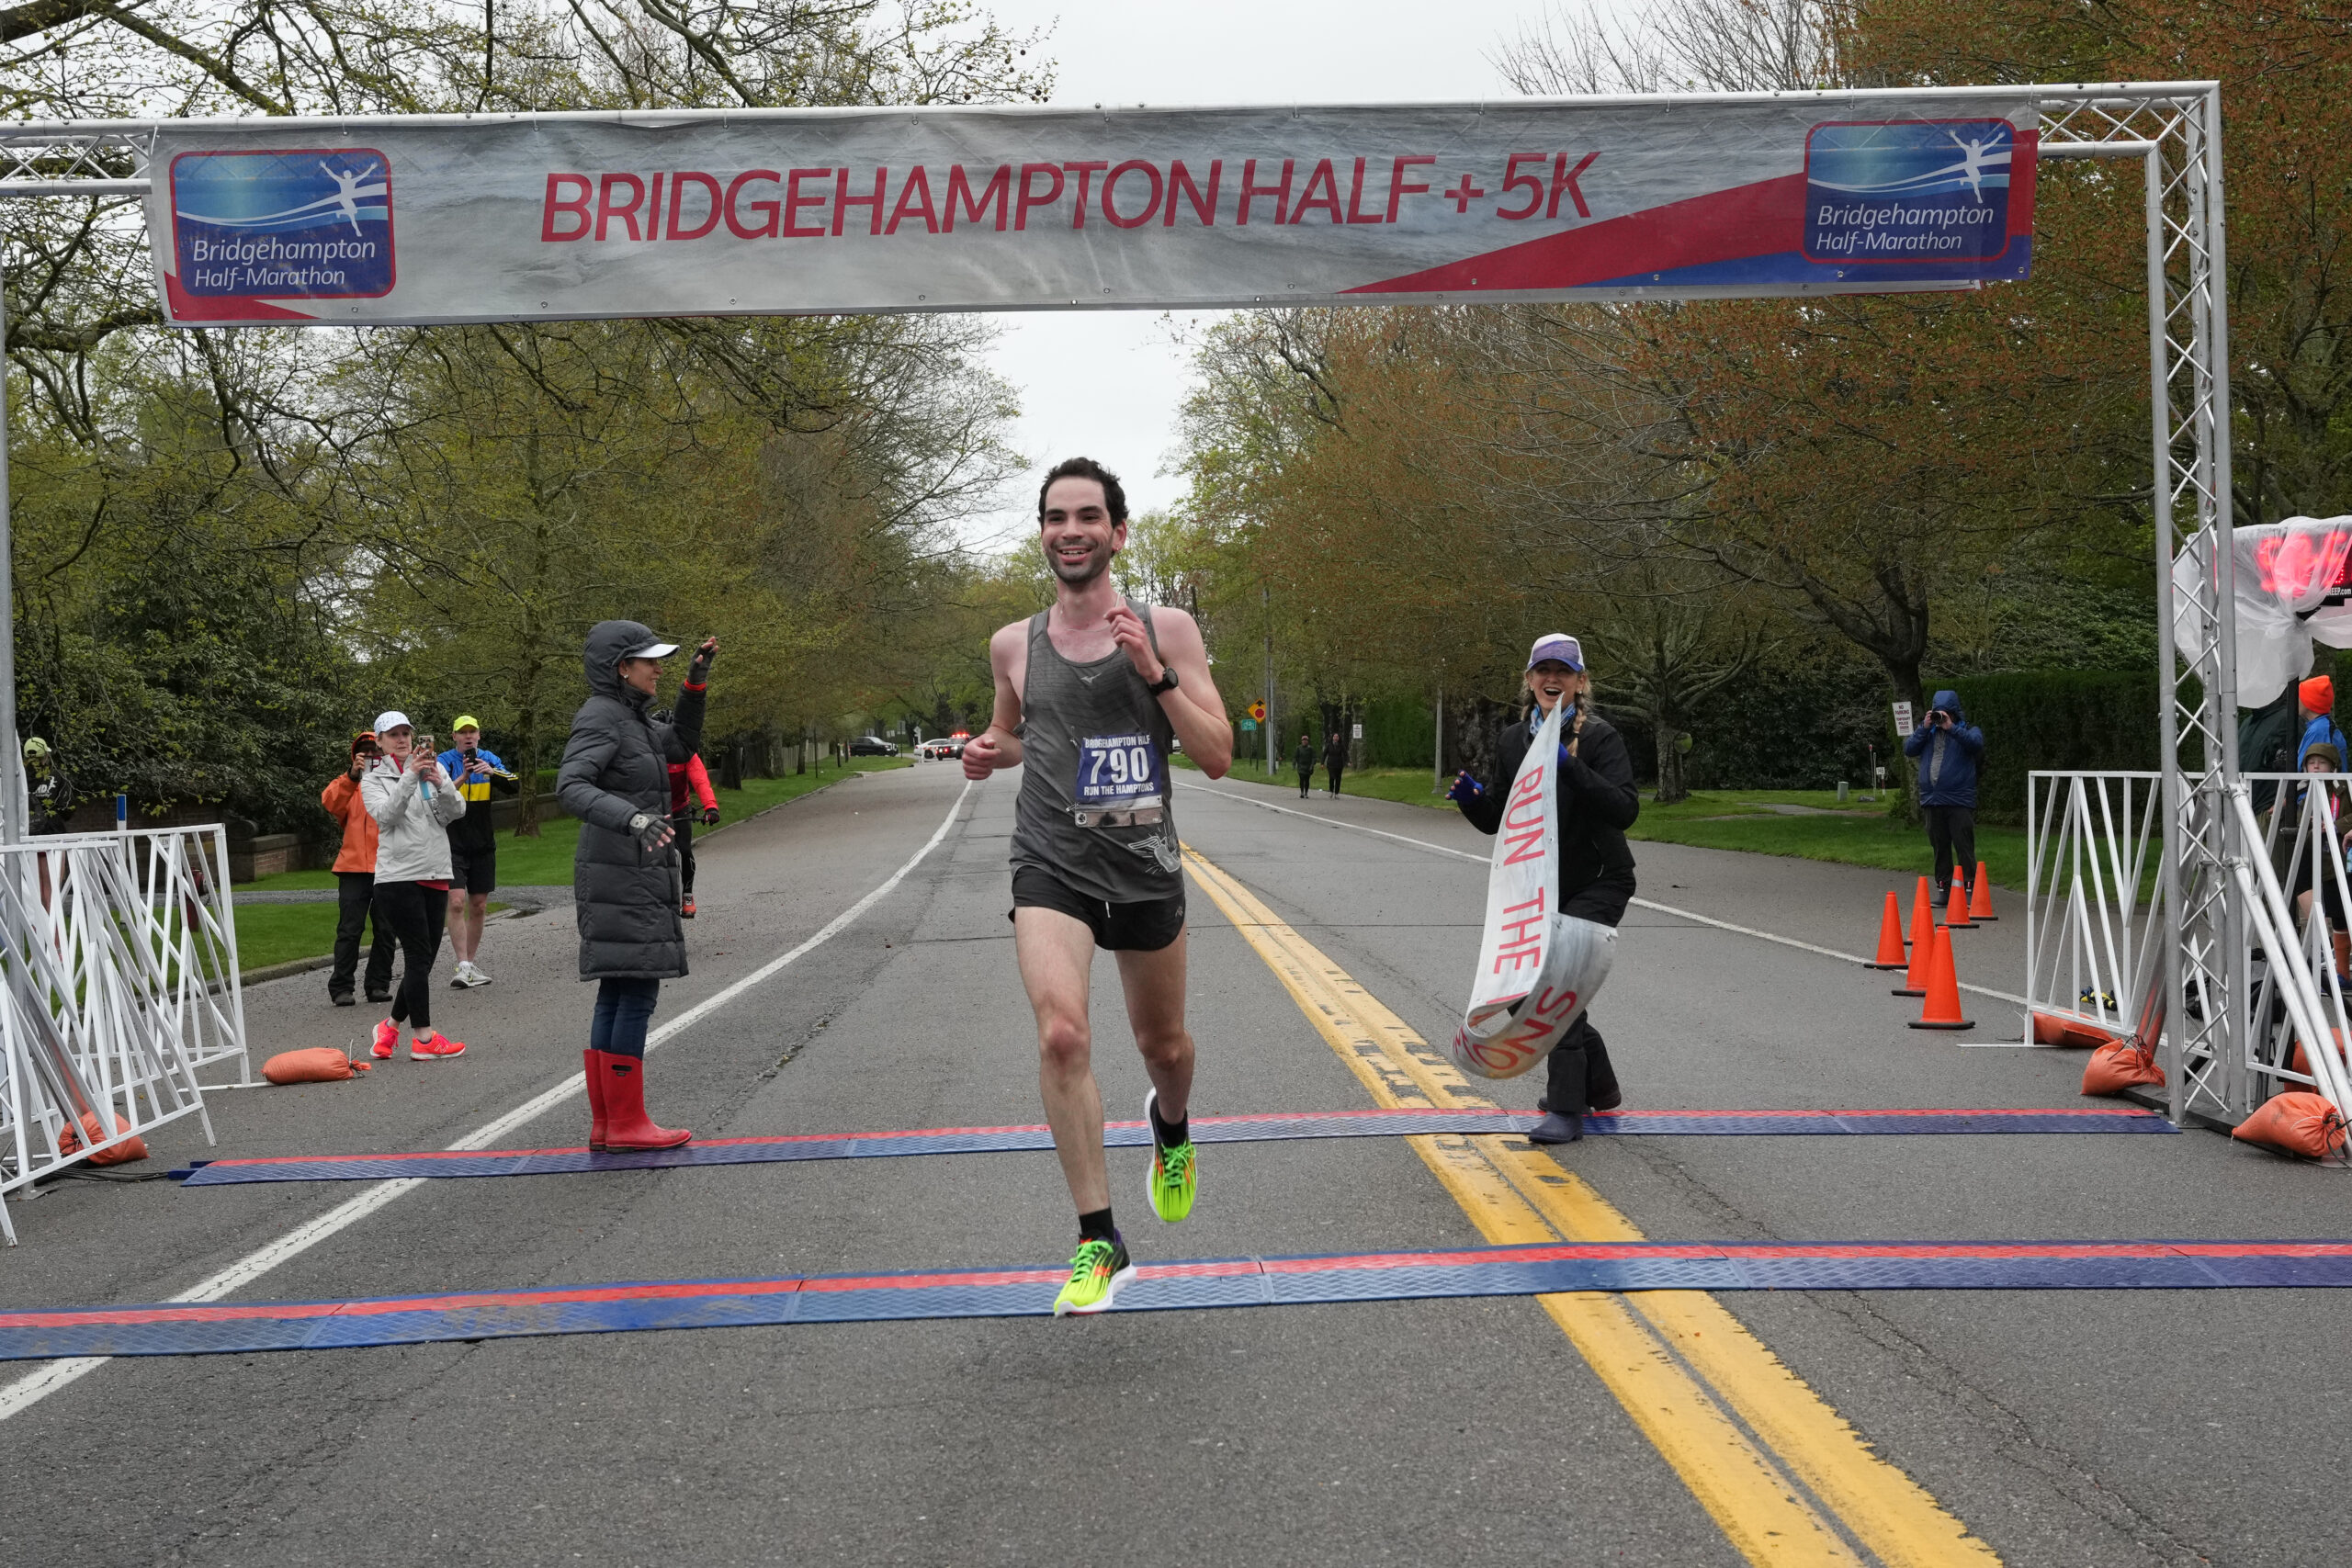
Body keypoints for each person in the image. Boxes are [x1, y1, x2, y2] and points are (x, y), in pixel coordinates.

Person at [962, 456, 1231, 1315]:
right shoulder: (1015, 643)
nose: (1069, 531)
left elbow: (1219, 753)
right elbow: (1012, 737)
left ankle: (1173, 1127)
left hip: (1144, 863)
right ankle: (1099, 1238)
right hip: (1052, 861)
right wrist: (983, 751)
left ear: (1118, 532)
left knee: (1166, 1049)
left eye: (1087, 517)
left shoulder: (1169, 627)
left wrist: (1155, 671)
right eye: (1054, 517)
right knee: (1063, 1034)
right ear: (1042, 532)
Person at [1447, 634, 1638, 1144]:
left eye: (1564, 671)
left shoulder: (1599, 738)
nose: (1552, 679)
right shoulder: (1514, 740)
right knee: (1522, 988)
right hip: (1539, 887)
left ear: (1580, 681)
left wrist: (1568, 765)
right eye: (1543, 671)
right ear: (1529, 680)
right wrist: (1471, 800)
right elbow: (1500, 821)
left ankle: (1566, 1108)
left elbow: (1625, 808)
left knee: (1555, 984)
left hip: (1600, 880)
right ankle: (1600, 1084)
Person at [559, 624, 718, 1151]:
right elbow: (571, 786)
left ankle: (609, 1124)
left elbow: (682, 745)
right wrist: (632, 819)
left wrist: (694, 685)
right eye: (649, 661)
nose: (659, 667)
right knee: (636, 989)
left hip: (626, 870)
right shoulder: (602, 716)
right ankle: (625, 1124)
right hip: (621, 870)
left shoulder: (632, 718)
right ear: (621, 667)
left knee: (619, 988)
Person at [360, 712, 469, 1061]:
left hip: (436, 871)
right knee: (418, 956)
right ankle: (423, 1038)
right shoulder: (372, 779)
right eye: (393, 735)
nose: (403, 739)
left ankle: (389, 1028)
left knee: (425, 959)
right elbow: (385, 817)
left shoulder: (429, 771)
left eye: (406, 733)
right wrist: (408, 777)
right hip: (398, 877)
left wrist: (441, 781)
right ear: (379, 741)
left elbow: (457, 811)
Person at [436, 716, 519, 988]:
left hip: (482, 841)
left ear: (479, 736)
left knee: (479, 905)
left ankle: (469, 965)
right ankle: (462, 964)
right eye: (463, 733)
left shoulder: (489, 758)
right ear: (454, 737)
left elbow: (515, 783)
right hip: (453, 841)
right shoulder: (445, 760)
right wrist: (463, 777)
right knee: (457, 901)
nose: (468, 737)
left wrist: (492, 772)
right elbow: (437, 796)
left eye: (472, 732)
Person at [321, 731, 396, 1008]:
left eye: (374, 751)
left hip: (387, 865)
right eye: (364, 752)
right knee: (350, 929)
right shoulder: (350, 785)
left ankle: (378, 984)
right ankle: (341, 987)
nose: (369, 756)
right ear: (356, 756)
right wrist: (352, 775)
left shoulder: (392, 782)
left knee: (386, 929)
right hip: (353, 867)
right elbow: (330, 801)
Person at [1903, 689, 1984, 907]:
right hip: (1932, 799)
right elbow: (1909, 749)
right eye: (1938, 713)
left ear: (1954, 713)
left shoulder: (1969, 731)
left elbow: (1976, 745)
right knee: (1939, 846)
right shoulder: (1927, 734)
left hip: (1958, 799)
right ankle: (1944, 889)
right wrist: (1924, 726)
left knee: (1963, 845)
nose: (1941, 717)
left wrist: (1952, 729)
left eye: (1945, 713)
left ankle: (1970, 888)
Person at [651, 711, 719, 919]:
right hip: (654, 809)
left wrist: (710, 807)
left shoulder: (686, 753)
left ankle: (687, 895)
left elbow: (700, 780)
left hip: (680, 806)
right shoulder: (648, 754)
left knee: (684, 849)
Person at [2298, 676, 2347, 771]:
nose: (2297, 701)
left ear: (2309, 702)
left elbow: (2305, 770)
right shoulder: (2323, 726)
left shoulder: (2319, 730)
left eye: (2300, 697)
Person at [24, 738, 74, 833]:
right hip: (52, 832)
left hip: (23, 834)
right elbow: (67, 808)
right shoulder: (57, 776)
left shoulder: (15, 778)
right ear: (46, 756)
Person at [1323, 729, 1347, 797]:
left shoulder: (1341, 745)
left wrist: (1348, 761)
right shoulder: (1329, 745)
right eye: (1334, 737)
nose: (1336, 738)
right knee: (1332, 777)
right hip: (1330, 764)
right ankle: (1331, 791)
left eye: (1337, 737)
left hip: (1339, 764)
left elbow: (1345, 754)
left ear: (1339, 738)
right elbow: (1324, 754)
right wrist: (1322, 763)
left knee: (1338, 779)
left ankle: (1336, 793)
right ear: (1332, 738)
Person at [1294, 730, 1316, 798]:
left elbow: (1314, 757)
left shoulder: (1310, 748)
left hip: (1308, 767)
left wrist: (1312, 765)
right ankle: (1302, 792)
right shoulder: (1298, 748)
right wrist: (1294, 764)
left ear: (1307, 741)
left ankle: (1306, 792)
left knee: (1307, 780)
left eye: (1306, 740)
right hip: (1301, 766)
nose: (1304, 741)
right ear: (1301, 741)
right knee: (1301, 779)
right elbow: (1295, 757)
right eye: (1303, 740)